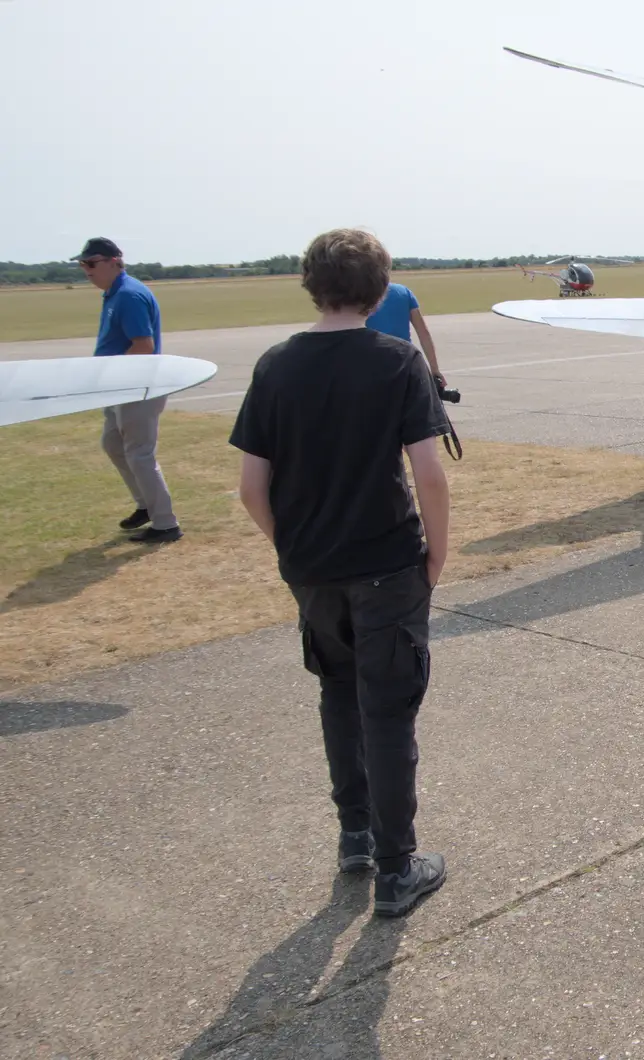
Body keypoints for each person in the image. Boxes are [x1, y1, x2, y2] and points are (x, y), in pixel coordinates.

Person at [230, 228, 453, 917]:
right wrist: (436, 556)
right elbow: (429, 473)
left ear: (311, 286)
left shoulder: (275, 366)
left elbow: (250, 487)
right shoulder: (396, 361)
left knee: (338, 696)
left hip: (314, 569)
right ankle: (396, 867)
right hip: (387, 564)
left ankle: (355, 835)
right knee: (388, 713)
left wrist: (292, 550)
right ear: (380, 290)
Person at [75, 237, 181, 543]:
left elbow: (144, 347)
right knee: (112, 443)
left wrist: (105, 371)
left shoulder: (129, 295)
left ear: (114, 261)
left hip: (140, 386)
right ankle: (146, 505)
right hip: (120, 387)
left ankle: (166, 523)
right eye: (83, 264)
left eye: (91, 263)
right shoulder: (113, 294)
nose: (86, 270)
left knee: (139, 453)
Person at [366, 280, 445, 384]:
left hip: (372, 363)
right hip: (404, 361)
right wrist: (434, 369)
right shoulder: (404, 292)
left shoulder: (362, 295)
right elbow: (423, 333)